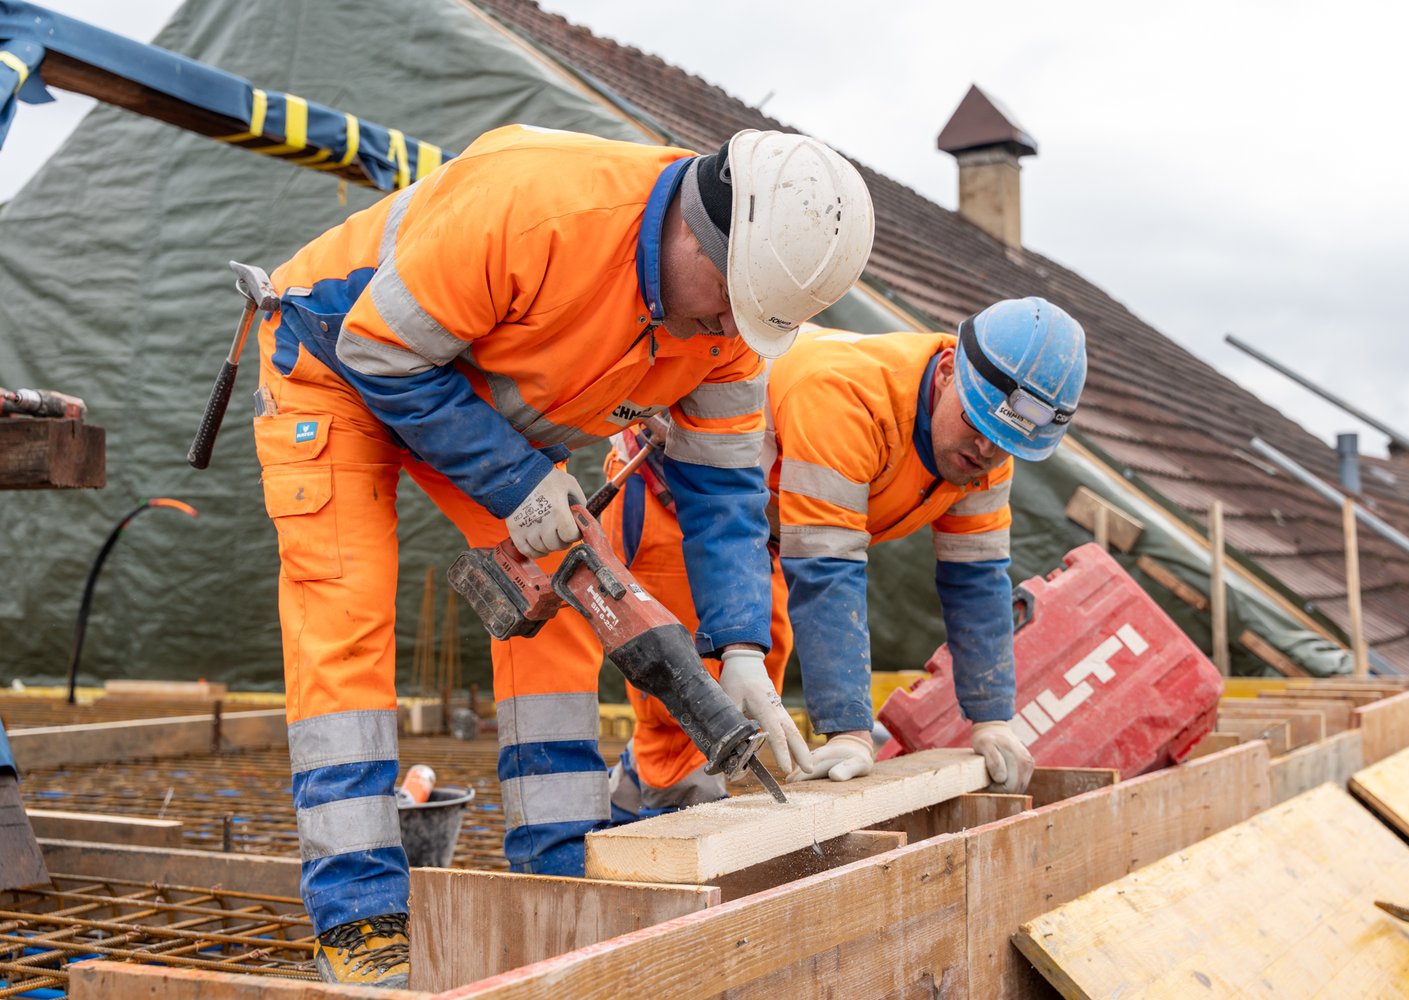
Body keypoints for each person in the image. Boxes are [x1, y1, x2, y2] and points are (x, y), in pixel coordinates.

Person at [251, 123, 873, 987]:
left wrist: (738, 648)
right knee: (347, 622)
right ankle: (361, 919)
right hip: (338, 361)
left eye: (756, 314)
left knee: (562, 612)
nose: (732, 324)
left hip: (474, 403)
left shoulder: (734, 320)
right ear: (696, 225)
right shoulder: (540, 205)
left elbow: (725, 493)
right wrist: (515, 479)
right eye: (732, 297)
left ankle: (558, 869)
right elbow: (380, 354)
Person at [597, 298, 1087, 819]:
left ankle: (630, 802)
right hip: (674, 502)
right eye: (979, 426)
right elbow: (827, 569)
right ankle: (667, 864)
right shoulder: (851, 398)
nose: (988, 451)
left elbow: (979, 582)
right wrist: (849, 732)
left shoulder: (982, 456)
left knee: (754, 688)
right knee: (701, 709)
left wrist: (992, 718)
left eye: (1006, 443)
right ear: (948, 374)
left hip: (761, 530)